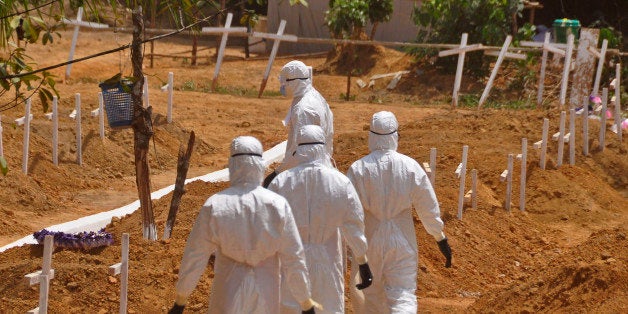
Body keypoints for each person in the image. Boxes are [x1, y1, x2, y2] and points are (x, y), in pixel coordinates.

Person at [168, 136, 319, 314]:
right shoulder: (278, 205)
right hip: (266, 294)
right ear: (260, 165)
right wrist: (305, 301)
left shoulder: (215, 205)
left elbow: (195, 255)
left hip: (227, 294)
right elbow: (293, 258)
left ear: (232, 164)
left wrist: (181, 299)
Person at [346, 111, 452, 313]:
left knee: (372, 297)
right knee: (403, 295)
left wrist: (355, 247)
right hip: (402, 240)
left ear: (371, 135)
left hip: (370, 241)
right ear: (395, 136)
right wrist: (440, 237)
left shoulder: (358, 169)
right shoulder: (410, 166)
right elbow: (428, 207)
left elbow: (350, 213)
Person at [267, 125, 373, 314]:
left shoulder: (280, 183)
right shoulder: (340, 182)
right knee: (329, 307)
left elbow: (268, 229)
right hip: (327, 261)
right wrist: (362, 260)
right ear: (323, 147)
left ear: (297, 149)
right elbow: (354, 226)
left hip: (291, 263)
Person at [263, 60, 334, 187]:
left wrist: (278, 173)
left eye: (284, 83)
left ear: (294, 82)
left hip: (304, 173)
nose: (282, 86)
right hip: (320, 165)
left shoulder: (303, 109)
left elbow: (301, 148)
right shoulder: (314, 96)